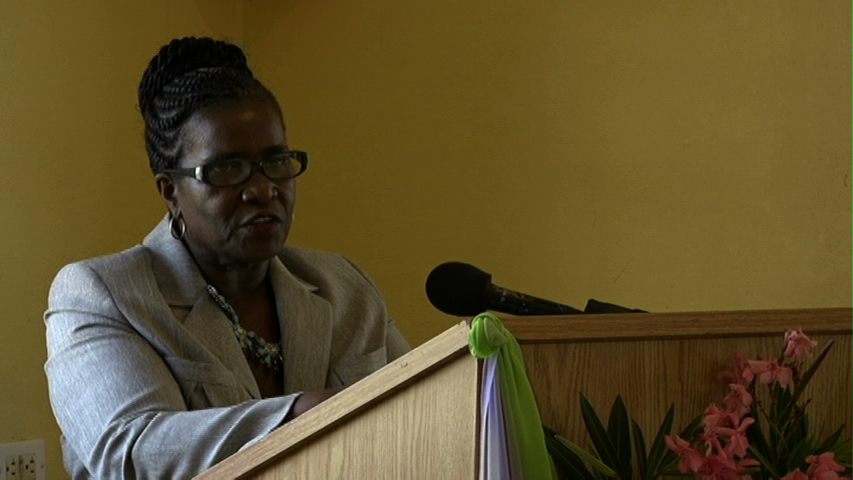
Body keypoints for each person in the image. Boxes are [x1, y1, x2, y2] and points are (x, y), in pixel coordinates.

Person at [44, 37, 410, 479]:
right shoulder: (104, 294)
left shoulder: (345, 286)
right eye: (226, 169)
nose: (262, 189)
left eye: (276, 161)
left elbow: (417, 411)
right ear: (171, 191)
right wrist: (297, 415)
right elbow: (132, 452)